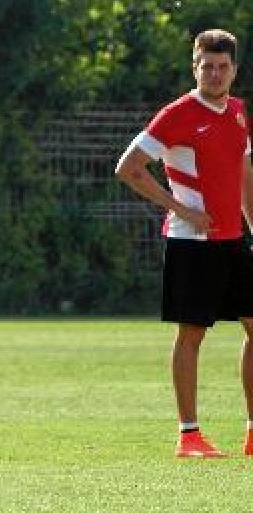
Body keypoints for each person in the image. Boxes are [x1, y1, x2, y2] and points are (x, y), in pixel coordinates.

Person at [115, 29, 253, 457]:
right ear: (194, 68)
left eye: (222, 67)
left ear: (234, 70)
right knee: (192, 334)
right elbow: (129, 168)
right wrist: (182, 209)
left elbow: (244, 173)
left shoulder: (238, 112)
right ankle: (189, 435)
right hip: (192, 242)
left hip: (234, 241)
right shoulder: (176, 114)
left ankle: (252, 433)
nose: (214, 74)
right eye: (206, 66)